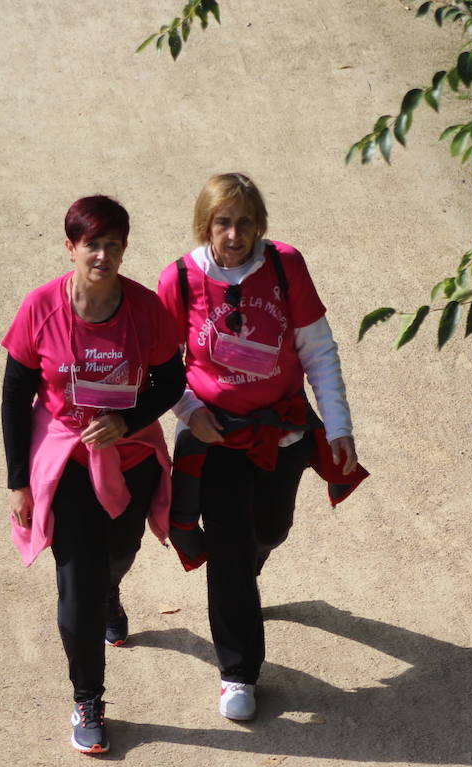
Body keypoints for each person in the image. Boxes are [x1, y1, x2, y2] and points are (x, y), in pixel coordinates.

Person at [156, 172, 368, 722]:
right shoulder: (178, 278)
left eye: (244, 222)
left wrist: (340, 426)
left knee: (270, 530)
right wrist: (190, 414)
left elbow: (318, 350)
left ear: (259, 225)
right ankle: (238, 672)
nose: (233, 233)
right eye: (222, 222)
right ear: (206, 225)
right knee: (228, 550)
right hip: (217, 436)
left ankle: (246, 570)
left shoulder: (284, 266)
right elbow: (162, 368)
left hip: (284, 429)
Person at [1, 195, 184, 754]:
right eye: (91, 245)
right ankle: (88, 696)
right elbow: (14, 395)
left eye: (113, 244)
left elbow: (171, 382)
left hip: (130, 458)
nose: (102, 255)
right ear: (71, 248)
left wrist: (126, 420)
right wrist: (18, 481)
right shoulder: (41, 308)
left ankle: (111, 589)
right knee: (75, 581)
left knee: (120, 550)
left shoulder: (147, 311)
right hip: (68, 462)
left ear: (124, 249)